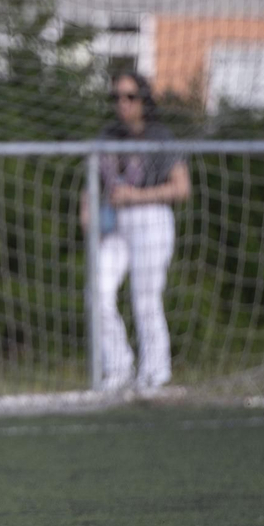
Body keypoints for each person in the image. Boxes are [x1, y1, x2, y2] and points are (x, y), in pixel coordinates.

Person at [80, 71, 190, 394]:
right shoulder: (108, 136)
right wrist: (88, 214)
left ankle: (154, 374)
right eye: (116, 97)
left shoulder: (160, 136)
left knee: (145, 298)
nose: (122, 104)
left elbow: (182, 188)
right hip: (115, 222)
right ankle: (117, 368)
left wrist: (136, 196)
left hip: (152, 218)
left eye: (130, 97)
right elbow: (92, 182)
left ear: (144, 99)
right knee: (97, 292)